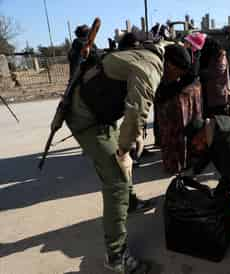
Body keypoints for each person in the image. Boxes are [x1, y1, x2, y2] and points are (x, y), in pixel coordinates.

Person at [65, 32, 169, 273]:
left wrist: (133, 139)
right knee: (117, 181)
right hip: (86, 120)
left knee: (126, 162)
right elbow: (136, 110)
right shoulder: (150, 66)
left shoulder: (141, 54)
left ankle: (129, 203)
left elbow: (134, 104)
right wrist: (124, 150)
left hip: (100, 114)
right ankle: (115, 256)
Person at [154, 44, 202, 174]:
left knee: (180, 131)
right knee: (172, 133)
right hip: (173, 97)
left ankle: (182, 161)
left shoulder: (187, 65)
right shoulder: (157, 65)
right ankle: (176, 162)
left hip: (180, 97)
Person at [199, 38, 230, 117]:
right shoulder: (208, 55)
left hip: (219, 97)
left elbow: (217, 71)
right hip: (210, 96)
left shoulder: (220, 55)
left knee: (220, 123)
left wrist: (199, 73)